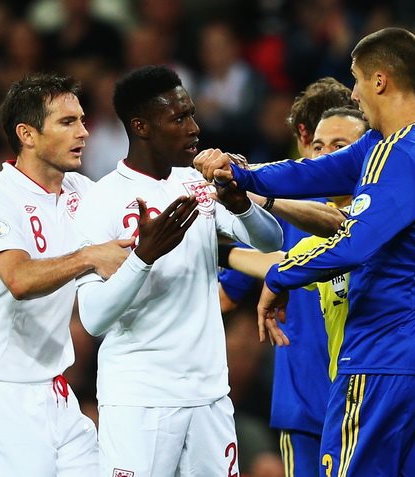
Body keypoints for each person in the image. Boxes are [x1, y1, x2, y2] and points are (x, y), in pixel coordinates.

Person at [195, 27, 415, 475]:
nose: (354, 95)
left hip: (385, 361)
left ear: (380, 81)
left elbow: (351, 244)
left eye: (357, 81)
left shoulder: (400, 156)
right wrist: (242, 174)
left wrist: (279, 276)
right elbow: (312, 173)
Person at [74, 65, 283, 477]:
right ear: (142, 127)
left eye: (192, 114)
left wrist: (240, 204)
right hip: (140, 399)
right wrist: (143, 257)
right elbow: (93, 318)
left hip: (209, 394)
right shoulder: (101, 200)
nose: (194, 128)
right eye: (179, 118)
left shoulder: (198, 185)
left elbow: (270, 240)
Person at [0, 72, 131, 477]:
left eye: (82, 120)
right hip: (0, 395)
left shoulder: (82, 191)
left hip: (55, 390)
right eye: (67, 122)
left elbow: (138, 225)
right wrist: (88, 256)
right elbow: (19, 279)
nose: (83, 132)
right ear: (27, 135)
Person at [219, 78, 357, 477]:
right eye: (321, 146)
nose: (325, 158)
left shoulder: (282, 208)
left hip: (319, 399)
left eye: (340, 146)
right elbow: (283, 264)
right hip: (350, 398)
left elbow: (225, 297)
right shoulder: (386, 205)